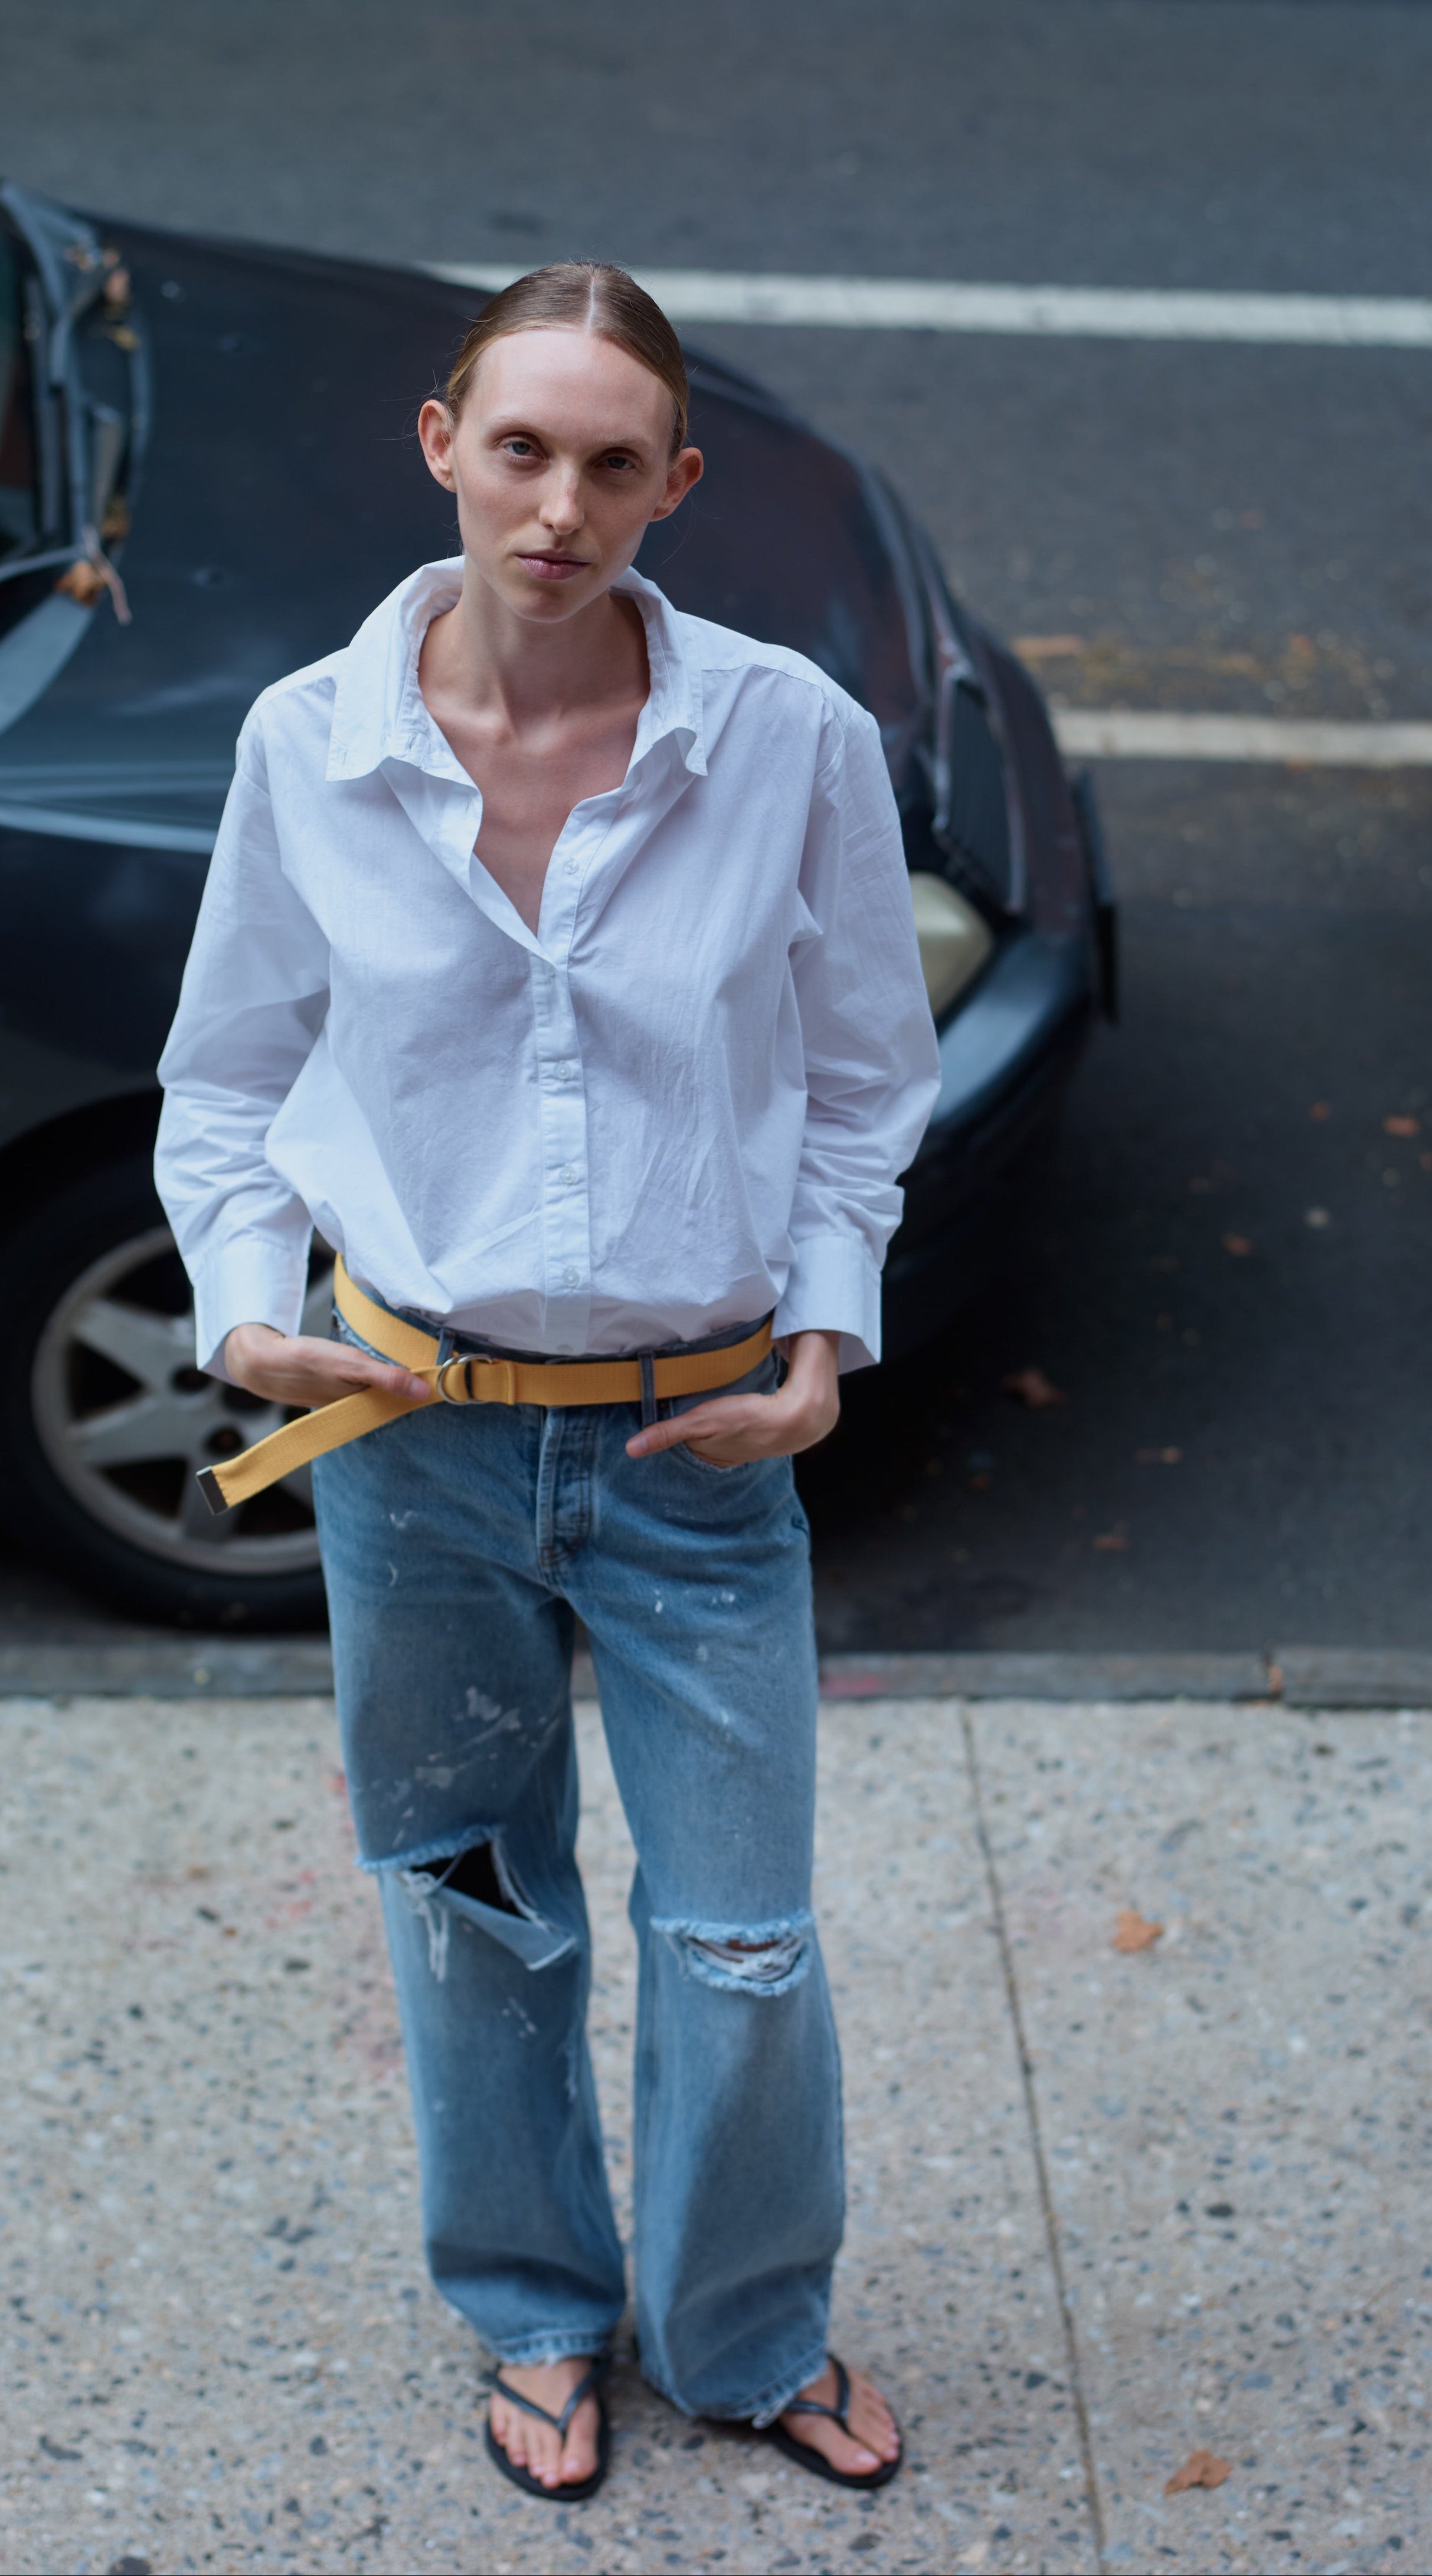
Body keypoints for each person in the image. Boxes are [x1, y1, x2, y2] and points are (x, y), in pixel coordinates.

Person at [156, 263, 939, 2502]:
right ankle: (532, 2308)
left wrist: (825, 1344)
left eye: (612, 464)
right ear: (444, 446)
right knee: (472, 1906)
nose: (560, 507)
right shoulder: (310, 743)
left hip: (700, 1439)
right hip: (414, 1444)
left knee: (745, 1941)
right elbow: (226, 1083)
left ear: (676, 484)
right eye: (521, 450)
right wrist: (242, 1308)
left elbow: (866, 1084)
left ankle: (744, 2331)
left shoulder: (786, 737)